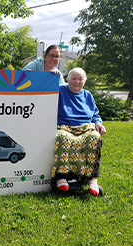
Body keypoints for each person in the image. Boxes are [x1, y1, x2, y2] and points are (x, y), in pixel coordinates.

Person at [52, 67, 106, 196]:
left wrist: (98, 123)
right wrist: (51, 76)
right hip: (64, 125)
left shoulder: (88, 95)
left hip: (85, 126)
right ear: (68, 80)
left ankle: (92, 178)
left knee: (94, 137)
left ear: (84, 81)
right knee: (62, 137)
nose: (77, 82)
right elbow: (44, 91)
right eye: (74, 78)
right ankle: (62, 176)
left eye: (80, 79)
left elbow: (95, 114)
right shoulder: (60, 90)